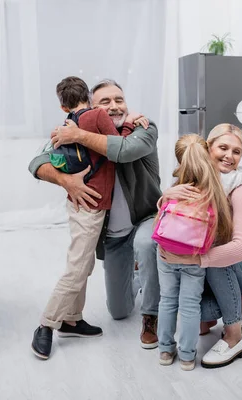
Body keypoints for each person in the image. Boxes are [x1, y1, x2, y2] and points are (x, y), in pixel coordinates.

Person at [28, 79, 162, 356]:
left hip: (143, 220)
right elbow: (37, 162)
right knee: (119, 311)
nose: (114, 106)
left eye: (119, 100)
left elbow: (124, 150)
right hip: (111, 236)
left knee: (146, 246)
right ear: (91, 106)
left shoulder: (143, 128)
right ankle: (73, 319)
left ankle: (151, 314)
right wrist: (67, 181)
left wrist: (77, 135)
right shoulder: (79, 127)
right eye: (105, 102)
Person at [159, 123, 242, 369]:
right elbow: (174, 222)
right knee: (199, 313)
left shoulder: (239, 186)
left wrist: (193, 260)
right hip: (212, 264)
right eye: (223, 148)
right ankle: (240, 308)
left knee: (219, 259)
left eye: (237, 151)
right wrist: (166, 198)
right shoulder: (194, 178)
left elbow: (240, 249)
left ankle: (235, 336)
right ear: (208, 148)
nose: (229, 156)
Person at [154, 134, 234, 371]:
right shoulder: (213, 192)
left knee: (167, 301)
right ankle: (188, 357)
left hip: (166, 256)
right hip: (194, 260)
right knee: (190, 306)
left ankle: (165, 351)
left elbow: (157, 224)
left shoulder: (174, 190)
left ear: (180, 160)